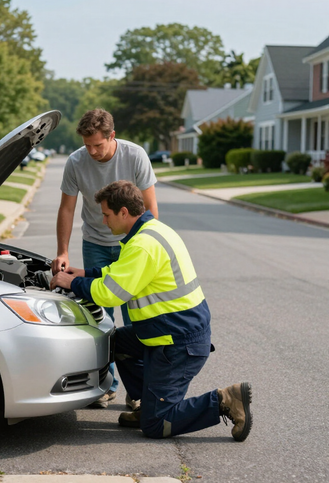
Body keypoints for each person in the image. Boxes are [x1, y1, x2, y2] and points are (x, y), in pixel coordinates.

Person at [50, 181, 252, 441]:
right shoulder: (151, 231)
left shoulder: (143, 245)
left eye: (106, 214)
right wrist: (87, 273)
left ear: (124, 212)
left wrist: (72, 282)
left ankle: (224, 400)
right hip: (169, 331)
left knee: (156, 425)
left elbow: (110, 294)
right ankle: (149, 403)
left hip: (177, 343)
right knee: (117, 342)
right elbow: (124, 272)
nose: (103, 220)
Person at [52, 108, 158, 409]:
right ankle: (107, 385)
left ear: (112, 136)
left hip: (132, 245)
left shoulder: (135, 156)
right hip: (95, 242)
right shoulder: (76, 162)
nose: (92, 151)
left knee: (135, 314)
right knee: (98, 316)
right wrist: (63, 250)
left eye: (97, 145)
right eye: (87, 145)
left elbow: (150, 207)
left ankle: (138, 388)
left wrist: (146, 247)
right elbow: (67, 209)